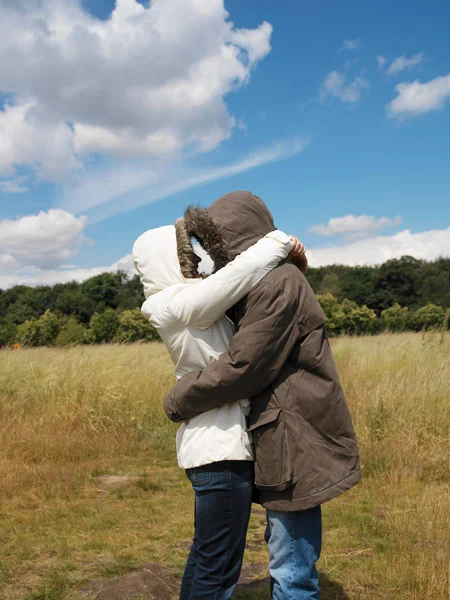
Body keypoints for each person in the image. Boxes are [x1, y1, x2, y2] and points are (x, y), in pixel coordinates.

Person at [164, 191, 362, 600]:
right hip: (285, 435)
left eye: (217, 247)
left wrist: (178, 399)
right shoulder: (267, 281)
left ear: (233, 241)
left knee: (291, 571)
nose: (216, 261)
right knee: (286, 556)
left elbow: (244, 366)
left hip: (296, 437)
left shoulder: (277, 283)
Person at [132, 220, 306, 600]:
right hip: (219, 452)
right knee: (219, 568)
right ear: (167, 260)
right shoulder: (170, 306)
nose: (196, 258)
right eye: (186, 254)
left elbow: (229, 283)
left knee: (206, 557)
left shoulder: (187, 302)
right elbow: (234, 277)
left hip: (215, 449)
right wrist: (280, 241)